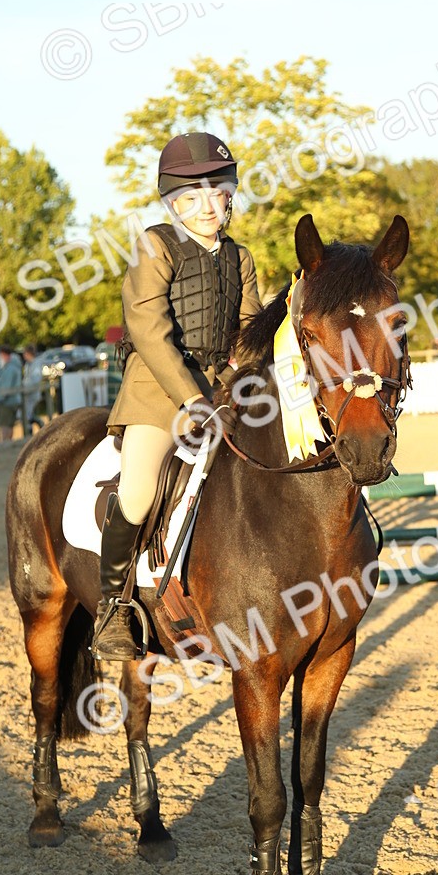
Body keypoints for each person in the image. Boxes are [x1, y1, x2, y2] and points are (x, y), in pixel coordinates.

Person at [91, 132, 262, 662]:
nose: (208, 207)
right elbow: (150, 329)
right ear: (172, 203)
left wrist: (245, 380)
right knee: (140, 490)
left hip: (221, 391)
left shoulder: (242, 257)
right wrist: (192, 399)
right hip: (157, 392)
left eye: (217, 194)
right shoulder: (155, 245)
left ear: (230, 195)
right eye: (192, 198)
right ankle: (113, 609)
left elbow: (250, 329)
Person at [0, 346, 22, 441]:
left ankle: (5, 443)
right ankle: (8, 442)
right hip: (14, 401)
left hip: (7, 402)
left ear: (4, 355)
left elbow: (5, 388)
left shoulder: (9, 369)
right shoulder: (15, 367)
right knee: (10, 425)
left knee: (5, 426)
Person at [21, 345, 43, 434]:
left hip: (33, 394)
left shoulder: (36, 364)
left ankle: (31, 432)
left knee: (27, 415)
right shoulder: (27, 365)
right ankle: (38, 424)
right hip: (27, 393)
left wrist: (24, 386)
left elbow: (35, 379)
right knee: (26, 414)